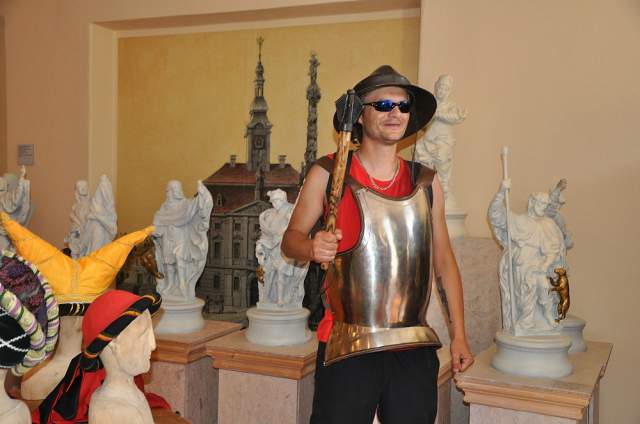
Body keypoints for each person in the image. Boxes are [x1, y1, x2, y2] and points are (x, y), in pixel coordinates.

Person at [282, 65, 473, 423]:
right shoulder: (329, 174)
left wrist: (459, 335)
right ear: (359, 114)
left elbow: (444, 261)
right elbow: (290, 240)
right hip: (347, 343)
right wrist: (311, 248)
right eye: (383, 105)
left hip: (412, 343)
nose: (395, 113)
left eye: (403, 106)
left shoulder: (426, 182)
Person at [488, 180, 568, 335]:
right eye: (541, 203)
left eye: (546, 205)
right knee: (527, 291)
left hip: (541, 265)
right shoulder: (519, 220)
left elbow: (553, 248)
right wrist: (501, 192)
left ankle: (548, 317)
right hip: (523, 263)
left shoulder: (548, 224)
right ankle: (526, 322)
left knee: (544, 289)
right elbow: (495, 215)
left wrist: (546, 264)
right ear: (532, 202)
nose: (543, 207)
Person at [153, 180, 213, 301]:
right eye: (167, 191)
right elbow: (158, 221)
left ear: (175, 191)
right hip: (167, 236)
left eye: (168, 191)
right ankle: (170, 285)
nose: (167, 193)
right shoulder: (164, 207)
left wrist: (202, 192)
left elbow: (199, 204)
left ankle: (182, 284)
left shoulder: (185, 204)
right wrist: (155, 231)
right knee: (168, 261)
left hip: (180, 237)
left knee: (179, 259)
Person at [255, 189, 307, 309]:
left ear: (283, 200)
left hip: (284, 249)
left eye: (277, 201)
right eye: (273, 202)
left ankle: (280, 299)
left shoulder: (290, 210)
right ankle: (266, 298)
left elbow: (297, 228)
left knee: (281, 275)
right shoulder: (269, 215)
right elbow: (265, 233)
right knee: (268, 274)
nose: (275, 204)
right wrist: (261, 245)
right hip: (271, 248)